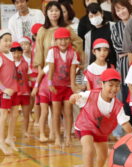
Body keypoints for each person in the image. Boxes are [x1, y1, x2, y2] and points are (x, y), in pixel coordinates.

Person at [70, 68, 132, 167]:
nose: (114, 89)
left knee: (103, 155)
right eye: (110, 85)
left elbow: (125, 124)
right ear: (102, 84)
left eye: (117, 86)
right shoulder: (90, 94)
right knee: (89, 148)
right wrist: (73, 97)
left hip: (101, 131)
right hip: (85, 126)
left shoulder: (118, 105)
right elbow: (74, 97)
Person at [32, 1, 82, 142]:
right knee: (50, 108)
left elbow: (78, 43)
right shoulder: (42, 30)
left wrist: (71, 54)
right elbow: (39, 53)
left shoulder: (67, 28)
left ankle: (68, 132)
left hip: (66, 74)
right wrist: (41, 76)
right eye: (51, 10)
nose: (54, 13)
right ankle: (54, 134)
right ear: (46, 13)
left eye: (56, 10)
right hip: (49, 74)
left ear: (61, 12)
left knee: (67, 108)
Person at [46, 27, 79, 146]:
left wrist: (73, 84)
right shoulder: (52, 52)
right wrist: (50, 83)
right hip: (55, 86)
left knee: (68, 111)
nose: (63, 42)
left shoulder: (73, 52)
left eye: (65, 39)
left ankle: (68, 136)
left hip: (67, 86)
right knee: (55, 112)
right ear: (55, 41)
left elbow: (72, 70)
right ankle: (57, 137)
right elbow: (51, 68)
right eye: (60, 39)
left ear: (69, 40)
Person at [111, 0, 132, 126]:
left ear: (129, 7)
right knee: (127, 104)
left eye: (123, 8)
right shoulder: (116, 27)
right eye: (118, 10)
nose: (121, 12)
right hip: (124, 71)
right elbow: (118, 49)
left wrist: (129, 50)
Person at [0, 30, 19, 155]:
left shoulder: (12, 55)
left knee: (14, 114)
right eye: (5, 40)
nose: (8, 43)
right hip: (5, 91)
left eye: (10, 40)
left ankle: (10, 138)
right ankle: (1, 141)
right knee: (4, 116)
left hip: (14, 90)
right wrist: (3, 89)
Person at [11, 42, 31, 138]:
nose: (16, 55)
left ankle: (25, 131)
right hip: (14, 93)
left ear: (22, 53)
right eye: (14, 53)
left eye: (19, 52)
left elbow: (29, 76)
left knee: (26, 114)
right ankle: (11, 133)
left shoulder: (26, 64)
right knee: (13, 115)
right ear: (11, 53)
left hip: (25, 92)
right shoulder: (9, 64)